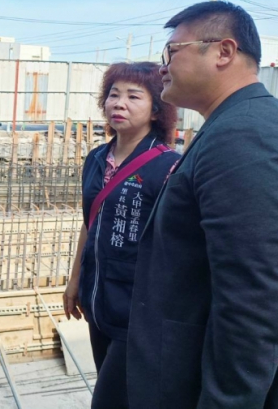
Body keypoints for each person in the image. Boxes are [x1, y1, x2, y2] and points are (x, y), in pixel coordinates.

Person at [127, 1, 278, 409]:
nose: (162, 67)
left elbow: (252, 306)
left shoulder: (244, 137)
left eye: (172, 51)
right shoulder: (243, 123)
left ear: (223, 51)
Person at [64, 62, 180, 409]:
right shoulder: (96, 158)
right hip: (98, 300)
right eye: (114, 95)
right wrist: (75, 281)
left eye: (133, 96)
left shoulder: (169, 166)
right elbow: (90, 221)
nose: (119, 103)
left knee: (110, 399)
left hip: (138, 309)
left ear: (156, 109)